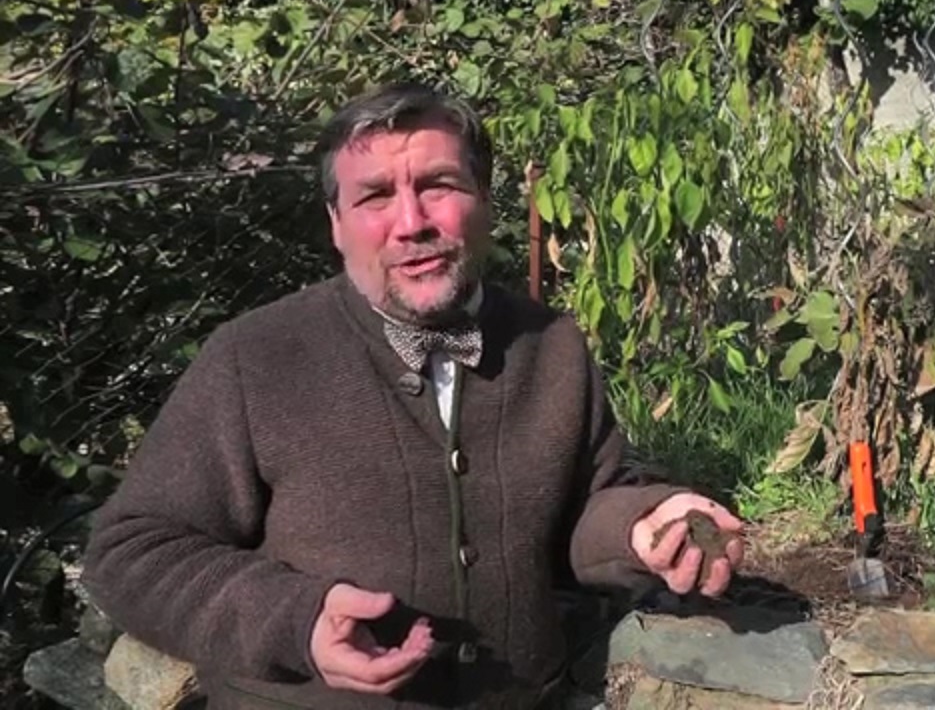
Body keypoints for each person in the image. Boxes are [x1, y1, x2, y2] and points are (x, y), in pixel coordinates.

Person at [81, 82, 746, 710]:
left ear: (484, 201)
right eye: (374, 196)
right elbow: (131, 552)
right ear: (336, 224)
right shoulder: (255, 358)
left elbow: (582, 504)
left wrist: (642, 525)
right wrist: (297, 620)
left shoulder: (552, 346)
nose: (411, 223)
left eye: (438, 186)